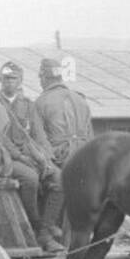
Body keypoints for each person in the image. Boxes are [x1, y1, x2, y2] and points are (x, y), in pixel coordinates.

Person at [0, 62, 64, 252]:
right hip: (6, 158)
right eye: (6, 78)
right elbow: (0, 138)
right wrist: (19, 156)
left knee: (59, 178)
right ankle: (34, 226)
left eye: (13, 78)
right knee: (31, 179)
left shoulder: (28, 105)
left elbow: (38, 135)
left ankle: (45, 228)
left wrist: (47, 160)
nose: (9, 82)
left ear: (20, 81)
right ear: (0, 80)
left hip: (28, 156)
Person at [32, 57, 93, 242]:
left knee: (40, 187)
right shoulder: (81, 100)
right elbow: (90, 137)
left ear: (44, 77)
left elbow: (39, 140)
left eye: (40, 77)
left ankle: (43, 232)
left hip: (60, 158)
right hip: (83, 159)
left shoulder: (41, 102)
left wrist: (47, 164)